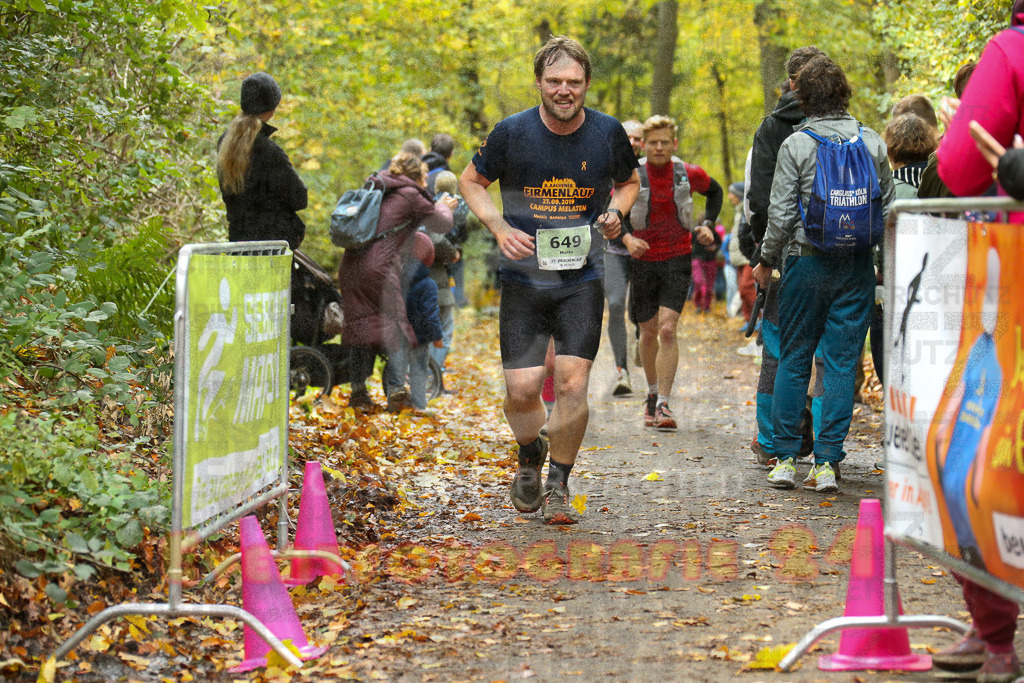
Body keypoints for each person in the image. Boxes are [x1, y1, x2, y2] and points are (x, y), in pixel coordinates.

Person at [459, 36, 639, 525]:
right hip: (523, 279)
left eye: (574, 83)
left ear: (586, 85)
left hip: (581, 278)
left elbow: (628, 182)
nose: (565, 91)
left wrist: (614, 215)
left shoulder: (607, 133)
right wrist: (499, 227)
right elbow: (469, 181)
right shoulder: (511, 133)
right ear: (540, 81)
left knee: (572, 382)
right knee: (521, 392)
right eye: (555, 81)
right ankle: (529, 452)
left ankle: (559, 480)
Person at [928, 5, 1024, 677]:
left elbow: (961, 168)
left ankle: (995, 634)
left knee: (966, 456)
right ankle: (988, 633)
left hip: (1010, 300)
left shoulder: (1013, 51)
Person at [752, 55, 895, 493]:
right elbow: (889, 211)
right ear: (844, 93)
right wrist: (882, 268)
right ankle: (828, 463)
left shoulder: (796, 144)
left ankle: (784, 459)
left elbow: (778, 214)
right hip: (856, 266)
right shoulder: (872, 143)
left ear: (803, 97)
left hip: (805, 262)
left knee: (794, 359)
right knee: (839, 365)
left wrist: (765, 260)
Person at [744, 46, 825, 467]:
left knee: (778, 349)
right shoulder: (851, 127)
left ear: (791, 82)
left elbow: (759, 199)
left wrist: (763, 255)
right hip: (841, 255)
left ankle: (772, 440)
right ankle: (827, 447)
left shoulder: (772, 128)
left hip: (784, 256)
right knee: (828, 352)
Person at [625, 115, 721, 430]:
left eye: (665, 142)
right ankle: (651, 394)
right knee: (648, 330)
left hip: (678, 258)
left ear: (674, 144)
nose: (659, 147)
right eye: (653, 142)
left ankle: (664, 403)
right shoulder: (632, 174)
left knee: (667, 329)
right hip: (643, 260)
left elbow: (716, 192)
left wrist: (706, 225)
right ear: (645, 145)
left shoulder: (688, 173)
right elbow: (615, 207)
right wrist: (627, 237)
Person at [340, 152, 457, 411]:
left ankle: (358, 393)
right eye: (425, 175)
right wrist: (446, 207)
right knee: (397, 326)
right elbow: (441, 223)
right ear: (415, 174)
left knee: (362, 326)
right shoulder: (410, 194)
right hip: (379, 268)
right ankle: (396, 390)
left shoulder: (377, 185)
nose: (427, 180)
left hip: (351, 265)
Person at [217, 72, 307, 250]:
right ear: (272, 109)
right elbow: (299, 198)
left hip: (238, 243)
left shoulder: (225, 143)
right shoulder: (270, 152)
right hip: (272, 248)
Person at [602, 119, 646, 398]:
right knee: (616, 306)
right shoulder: (606, 169)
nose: (633, 142)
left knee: (639, 313)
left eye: (638, 138)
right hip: (614, 252)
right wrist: (625, 238)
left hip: (644, 253)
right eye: (628, 137)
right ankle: (622, 371)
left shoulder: (653, 170)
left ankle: (641, 339)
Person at [401, 230, 444, 413]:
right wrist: (437, 336)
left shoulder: (397, 278)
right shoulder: (428, 284)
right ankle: (419, 404)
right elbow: (430, 314)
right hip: (420, 335)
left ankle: (394, 402)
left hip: (399, 332)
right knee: (419, 370)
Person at [727, 182, 756, 323]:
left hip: (747, 256)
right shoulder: (738, 211)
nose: (729, 196)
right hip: (738, 257)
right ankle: (748, 321)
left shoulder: (746, 209)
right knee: (742, 291)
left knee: (746, 288)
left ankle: (760, 320)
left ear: (738, 194)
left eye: (731, 193)